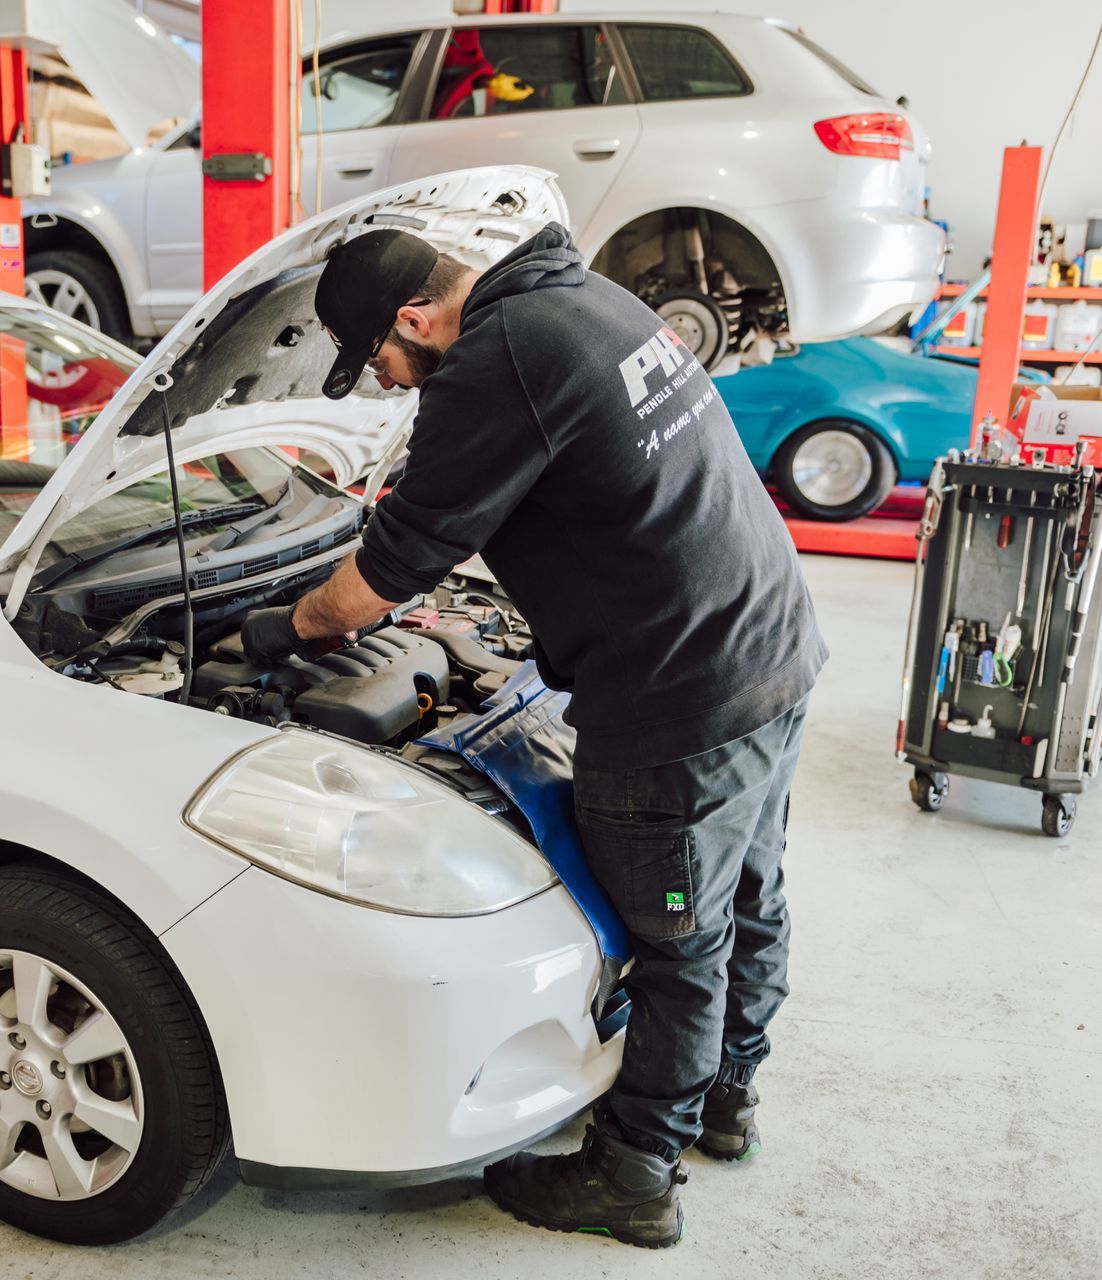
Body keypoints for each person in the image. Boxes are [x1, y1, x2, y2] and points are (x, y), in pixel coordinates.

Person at [240, 222, 826, 1249]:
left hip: (680, 697)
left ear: (416, 319)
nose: (384, 382)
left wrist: (285, 629)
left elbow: (389, 571)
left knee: (678, 937)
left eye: (375, 358)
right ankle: (724, 1100)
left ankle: (636, 1171)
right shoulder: (583, 301)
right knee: (745, 887)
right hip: (767, 648)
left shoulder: (493, 360)